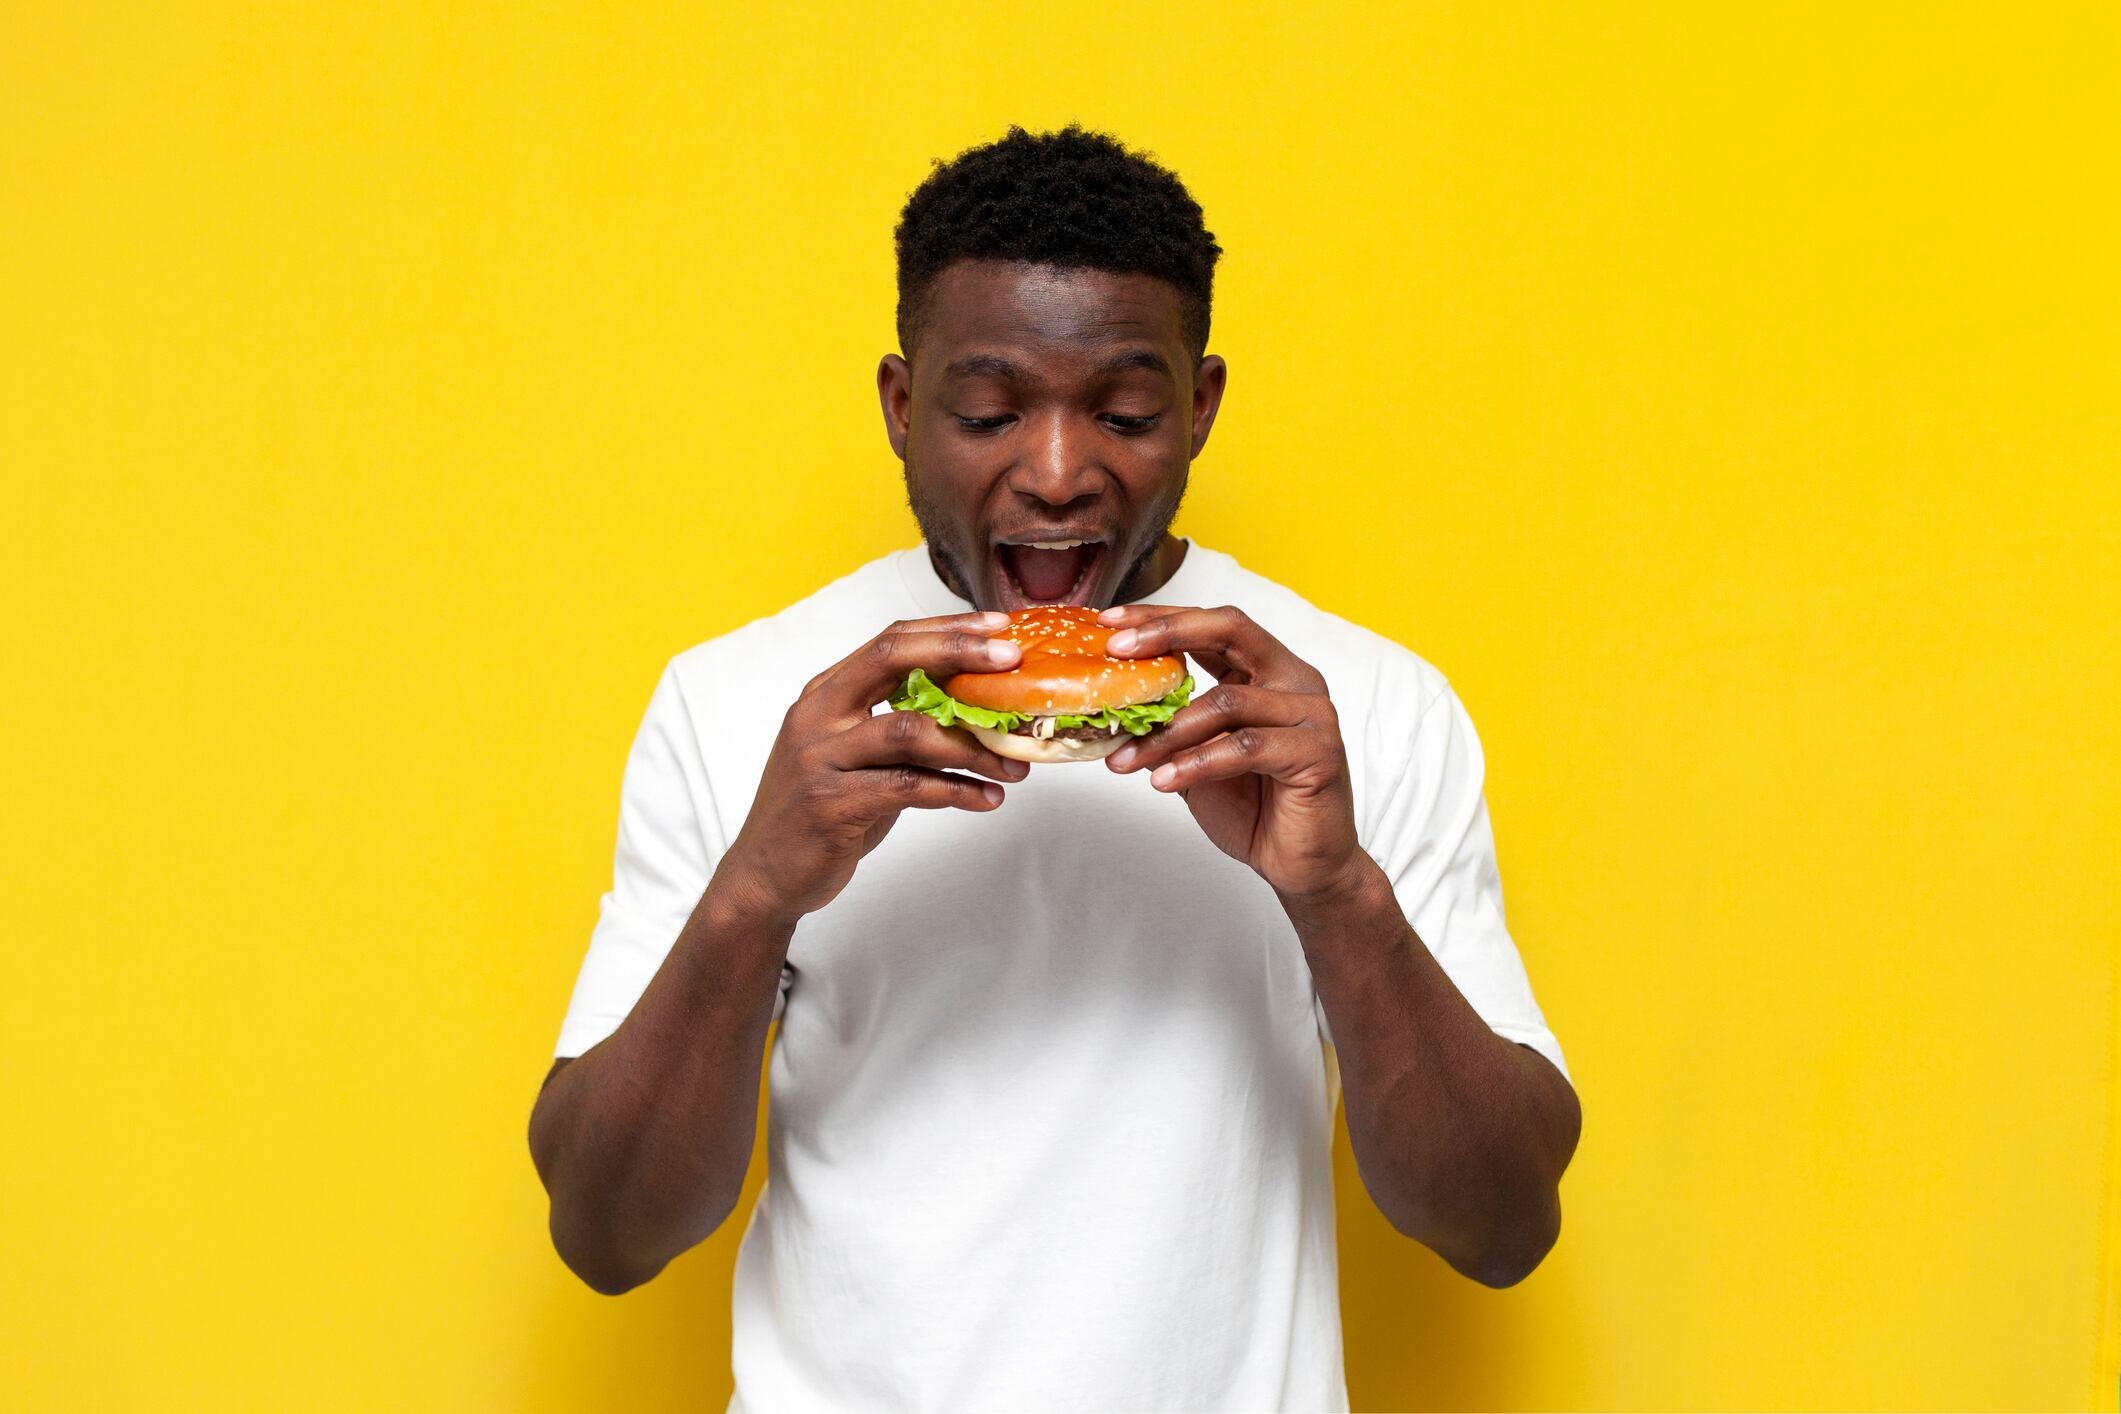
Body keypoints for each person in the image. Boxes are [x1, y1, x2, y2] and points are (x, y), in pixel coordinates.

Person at [529, 124, 1581, 1413]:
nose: (1058, 473)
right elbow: (605, 1235)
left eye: (1127, 413)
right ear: (903, 408)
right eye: (986, 412)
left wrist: (1338, 892)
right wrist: (753, 894)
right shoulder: (740, 701)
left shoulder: (1362, 706)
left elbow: (1503, 1226)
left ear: (1199, 407)